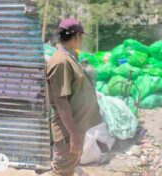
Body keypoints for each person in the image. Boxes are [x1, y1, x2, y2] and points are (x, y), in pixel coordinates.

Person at [46, 18, 101, 176]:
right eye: (81, 36)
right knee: (62, 172)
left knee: (69, 168)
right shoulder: (61, 62)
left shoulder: (69, 57)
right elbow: (61, 102)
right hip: (68, 131)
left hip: (75, 126)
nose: (81, 39)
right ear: (76, 36)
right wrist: (74, 135)